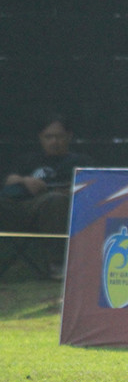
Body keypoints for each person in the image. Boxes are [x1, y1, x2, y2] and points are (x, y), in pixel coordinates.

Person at [0, 114, 91, 278]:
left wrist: (56, 190)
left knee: (54, 201)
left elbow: (90, 190)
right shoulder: (26, 160)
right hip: (21, 207)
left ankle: (57, 264)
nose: (54, 142)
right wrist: (24, 180)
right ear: (41, 138)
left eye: (59, 137)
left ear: (69, 137)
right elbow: (7, 180)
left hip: (56, 208)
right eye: (49, 137)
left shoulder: (81, 161)